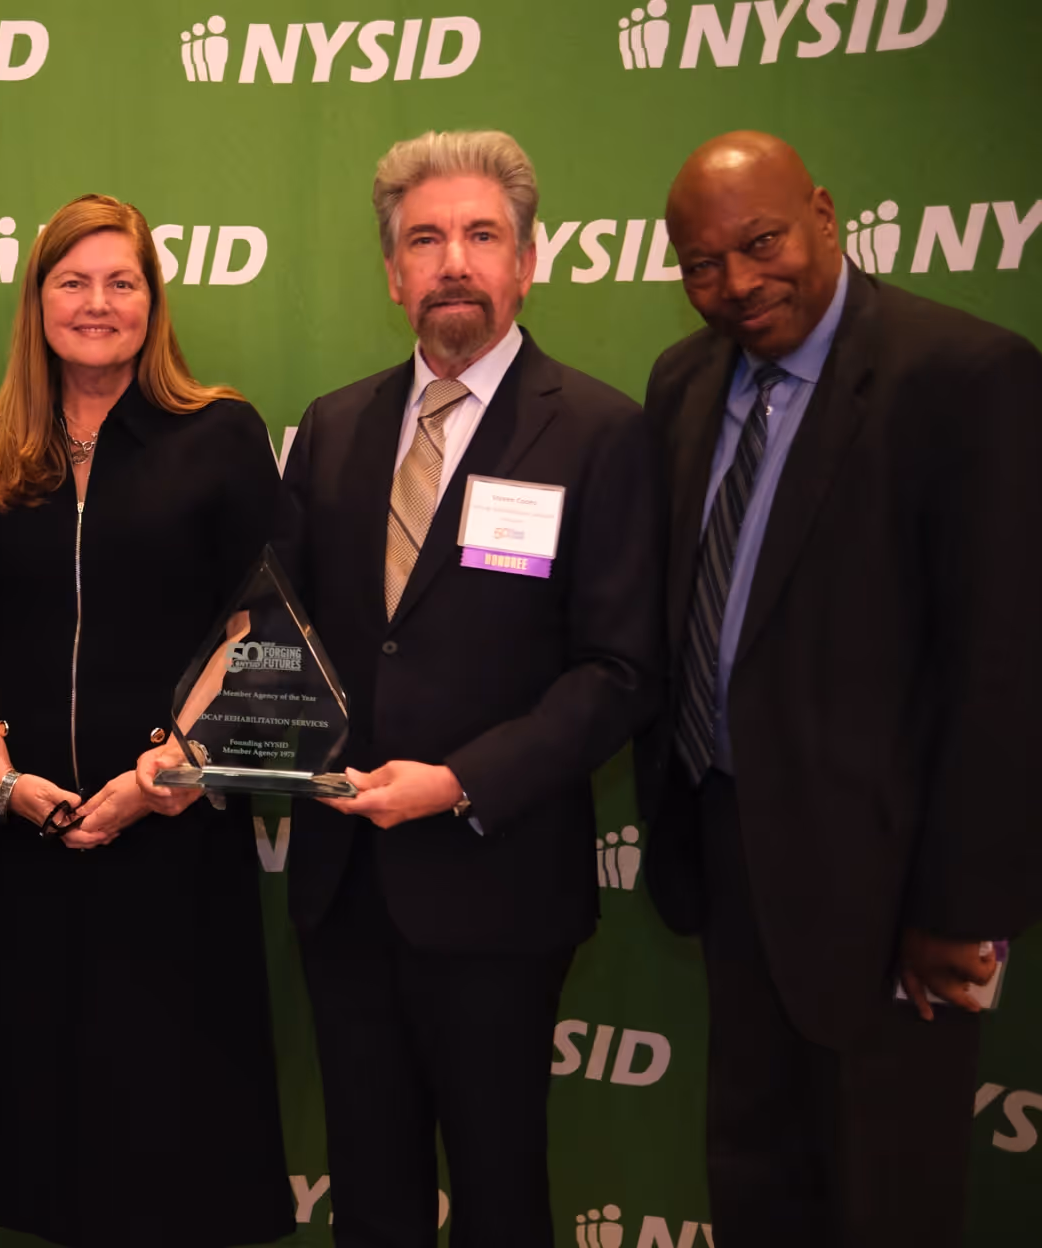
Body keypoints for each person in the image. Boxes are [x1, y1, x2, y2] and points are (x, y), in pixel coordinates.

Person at [196, 130, 663, 1244]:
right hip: (345, 884)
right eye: (426, 239)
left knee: (501, 1190)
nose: (454, 259)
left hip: (497, 885)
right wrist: (208, 744)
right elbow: (281, 632)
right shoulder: (336, 427)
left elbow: (620, 671)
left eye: (481, 235)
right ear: (394, 274)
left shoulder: (601, 432)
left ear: (528, 261)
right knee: (372, 1189)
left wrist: (457, 780)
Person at [637, 130, 1042, 1247]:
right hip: (729, 847)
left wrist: (957, 914)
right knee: (756, 1177)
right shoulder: (683, 381)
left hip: (890, 885)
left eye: (760, 243)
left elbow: (1003, 672)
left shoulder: (962, 376)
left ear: (824, 213)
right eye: (702, 264)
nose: (736, 283)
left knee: (885, 1194)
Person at [0, 193, 294, 1248]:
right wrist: (0, 781)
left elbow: (258, 621)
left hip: (173, 832)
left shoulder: (218, 432)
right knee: (32, 1118)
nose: (98, 303)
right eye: (72, 281)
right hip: (27, 836)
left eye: (121, 281)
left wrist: (173, 771)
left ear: (153, 301)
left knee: (168, 1122)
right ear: (36, 301)